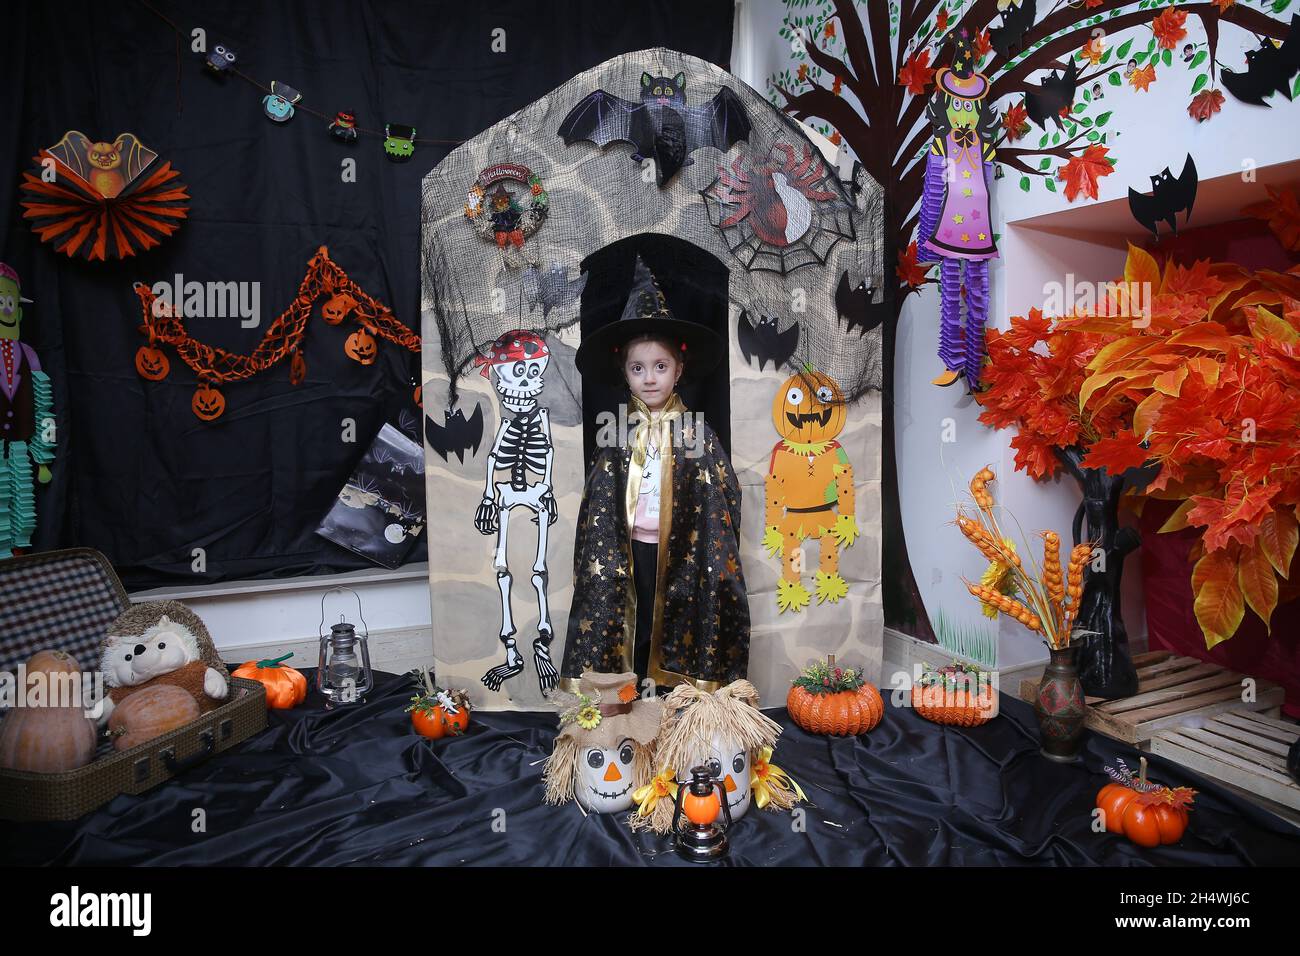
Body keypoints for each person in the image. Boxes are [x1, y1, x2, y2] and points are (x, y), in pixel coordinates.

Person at [560, 256, 749, 693]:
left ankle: (675, 703)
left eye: (660, 367)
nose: (649, 379)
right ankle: (628, 702)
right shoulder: (616, 436)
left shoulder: (696, 434)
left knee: (676, 624)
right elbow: (598, 505)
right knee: (635, 627)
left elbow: (725, 494)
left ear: (678, 371)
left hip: (683, 552)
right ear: (624, 374)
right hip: (630, 553)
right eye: (638, 368)